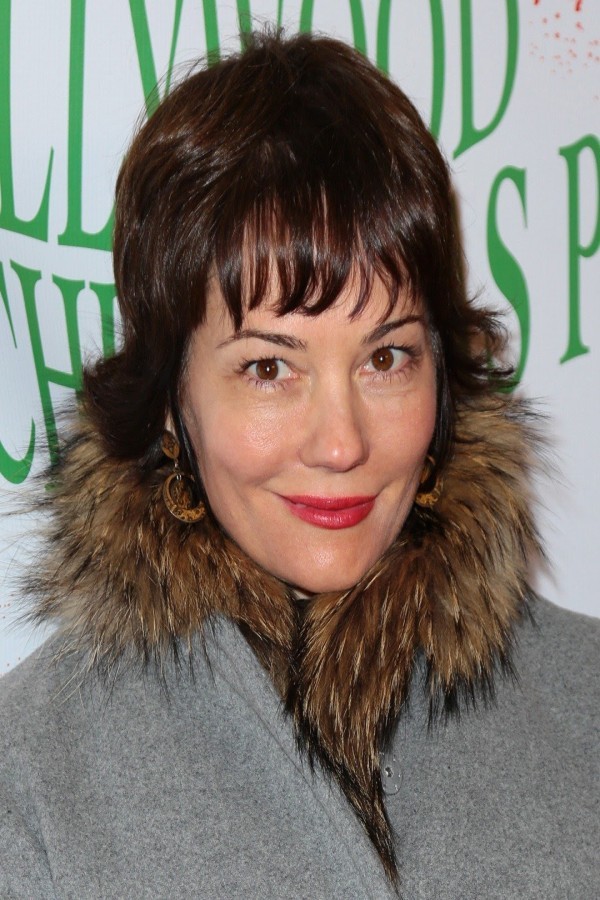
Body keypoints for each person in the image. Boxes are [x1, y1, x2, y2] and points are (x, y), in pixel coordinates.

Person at [0, 30, 597, 900]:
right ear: (169, 399)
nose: (341, 443)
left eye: (386, 358)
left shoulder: (585, 703)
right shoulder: (31, 780)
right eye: (268, 368)